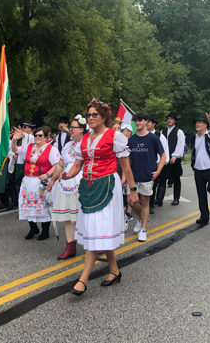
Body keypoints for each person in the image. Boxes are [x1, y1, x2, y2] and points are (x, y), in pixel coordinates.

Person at [60, 98, 138, 296]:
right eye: (88, 115)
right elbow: (78, 165)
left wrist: (133, 190)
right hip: (88, 186)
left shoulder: (115, 136)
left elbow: (126, 166)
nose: (91, 118)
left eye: (95, 114)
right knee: (98, 230)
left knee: (96, 231)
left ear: (104, 117)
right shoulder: (85, 139)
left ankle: (83, 279)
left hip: (107, 186)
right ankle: (114, 270)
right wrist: (68, 175)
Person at [47, 115, 87, 259]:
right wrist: (52, 180)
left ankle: (94, 244)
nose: (70, 130)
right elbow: (61, 164)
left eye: (73, 128)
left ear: (82, 129)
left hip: (83, 181)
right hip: (67, 183)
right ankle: (70, 246)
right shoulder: (68, 145)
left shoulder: (88, 143)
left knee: (85, 214)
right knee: (69, 216)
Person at [11, 126, 59, 240]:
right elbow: (16, 150)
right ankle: (33, 228)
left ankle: (45, 230)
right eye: (35, 135)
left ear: (46, 137)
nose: (37, 137)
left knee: (43, 205)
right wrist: (14, 140)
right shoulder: (29, 147)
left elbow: (57, 165)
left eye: (40, 135)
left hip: (41, 181)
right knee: (28, 204)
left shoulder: (51, 149)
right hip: (28, 180)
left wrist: (47, 175)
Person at [128, 112, 166, 242]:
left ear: (146, 122)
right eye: (135, 121)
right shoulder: (131, 140)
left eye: (140, 120)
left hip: (147, 175)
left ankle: (143, 228)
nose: (137, 122)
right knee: (131, 201)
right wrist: (124, 176)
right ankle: (142, 217)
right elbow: (127, 160)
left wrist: (158, 170)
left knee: (144, 202)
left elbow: (163, 155)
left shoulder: (153, 138)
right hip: (133, 176)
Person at [158, 112, 185, 206]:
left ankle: (176, 198)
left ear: (175, 121)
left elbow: (180, 145)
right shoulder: (162, 132)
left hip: (174, 159)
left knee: (176, 178)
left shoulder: (179, 131)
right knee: (162, 178)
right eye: (168, 119)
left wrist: (174, 156)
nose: (169, 120)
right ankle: (159, 199)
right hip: (165, 159)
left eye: (171, 119)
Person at [7, 120, 35, 210]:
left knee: (22, 185)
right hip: (16, 164)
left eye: (27, 127)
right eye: (24, 127)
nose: (24, 129)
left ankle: (23, 204)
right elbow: (12, 150)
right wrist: (13, 155)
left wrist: (22, 134)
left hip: (25, 165)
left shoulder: (31, 137)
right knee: (12, 182)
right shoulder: (18, 138)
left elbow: (30, 147)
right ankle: (15, 202)